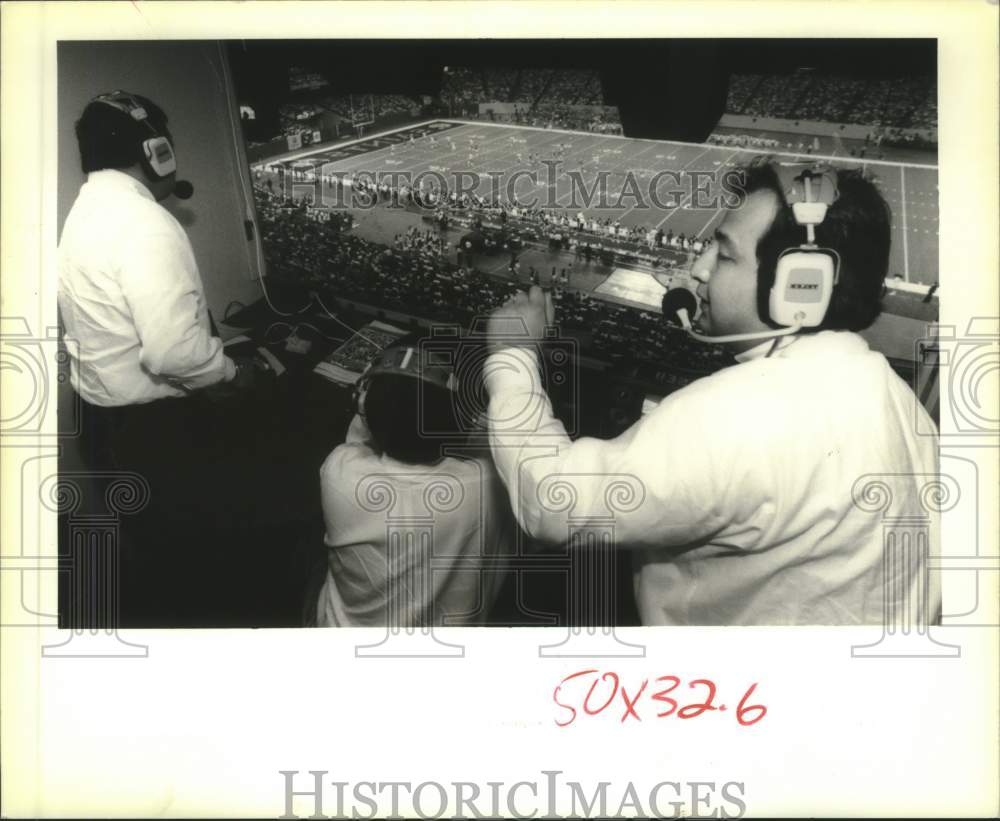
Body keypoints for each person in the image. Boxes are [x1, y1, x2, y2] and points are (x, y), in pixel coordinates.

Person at [483, 159, 940, 626]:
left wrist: (512, 355)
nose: (698, 270)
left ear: (800, 287)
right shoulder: (902, 405)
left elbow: (551, 502)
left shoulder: (740, 413)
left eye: (723, 255)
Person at [58, 91, 263, 625]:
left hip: (105, 420)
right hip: (158, 430)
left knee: (154, 545)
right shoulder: (144, 223)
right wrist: (234, 372)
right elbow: (173, 351)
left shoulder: (86, 209)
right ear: (156, 151)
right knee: (196, 557)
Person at [315, 335, 516, 627]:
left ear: (362, 402)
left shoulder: (338, 470)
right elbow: (503, 438)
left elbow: (364, 428)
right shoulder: (491, 485)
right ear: (467, 421)